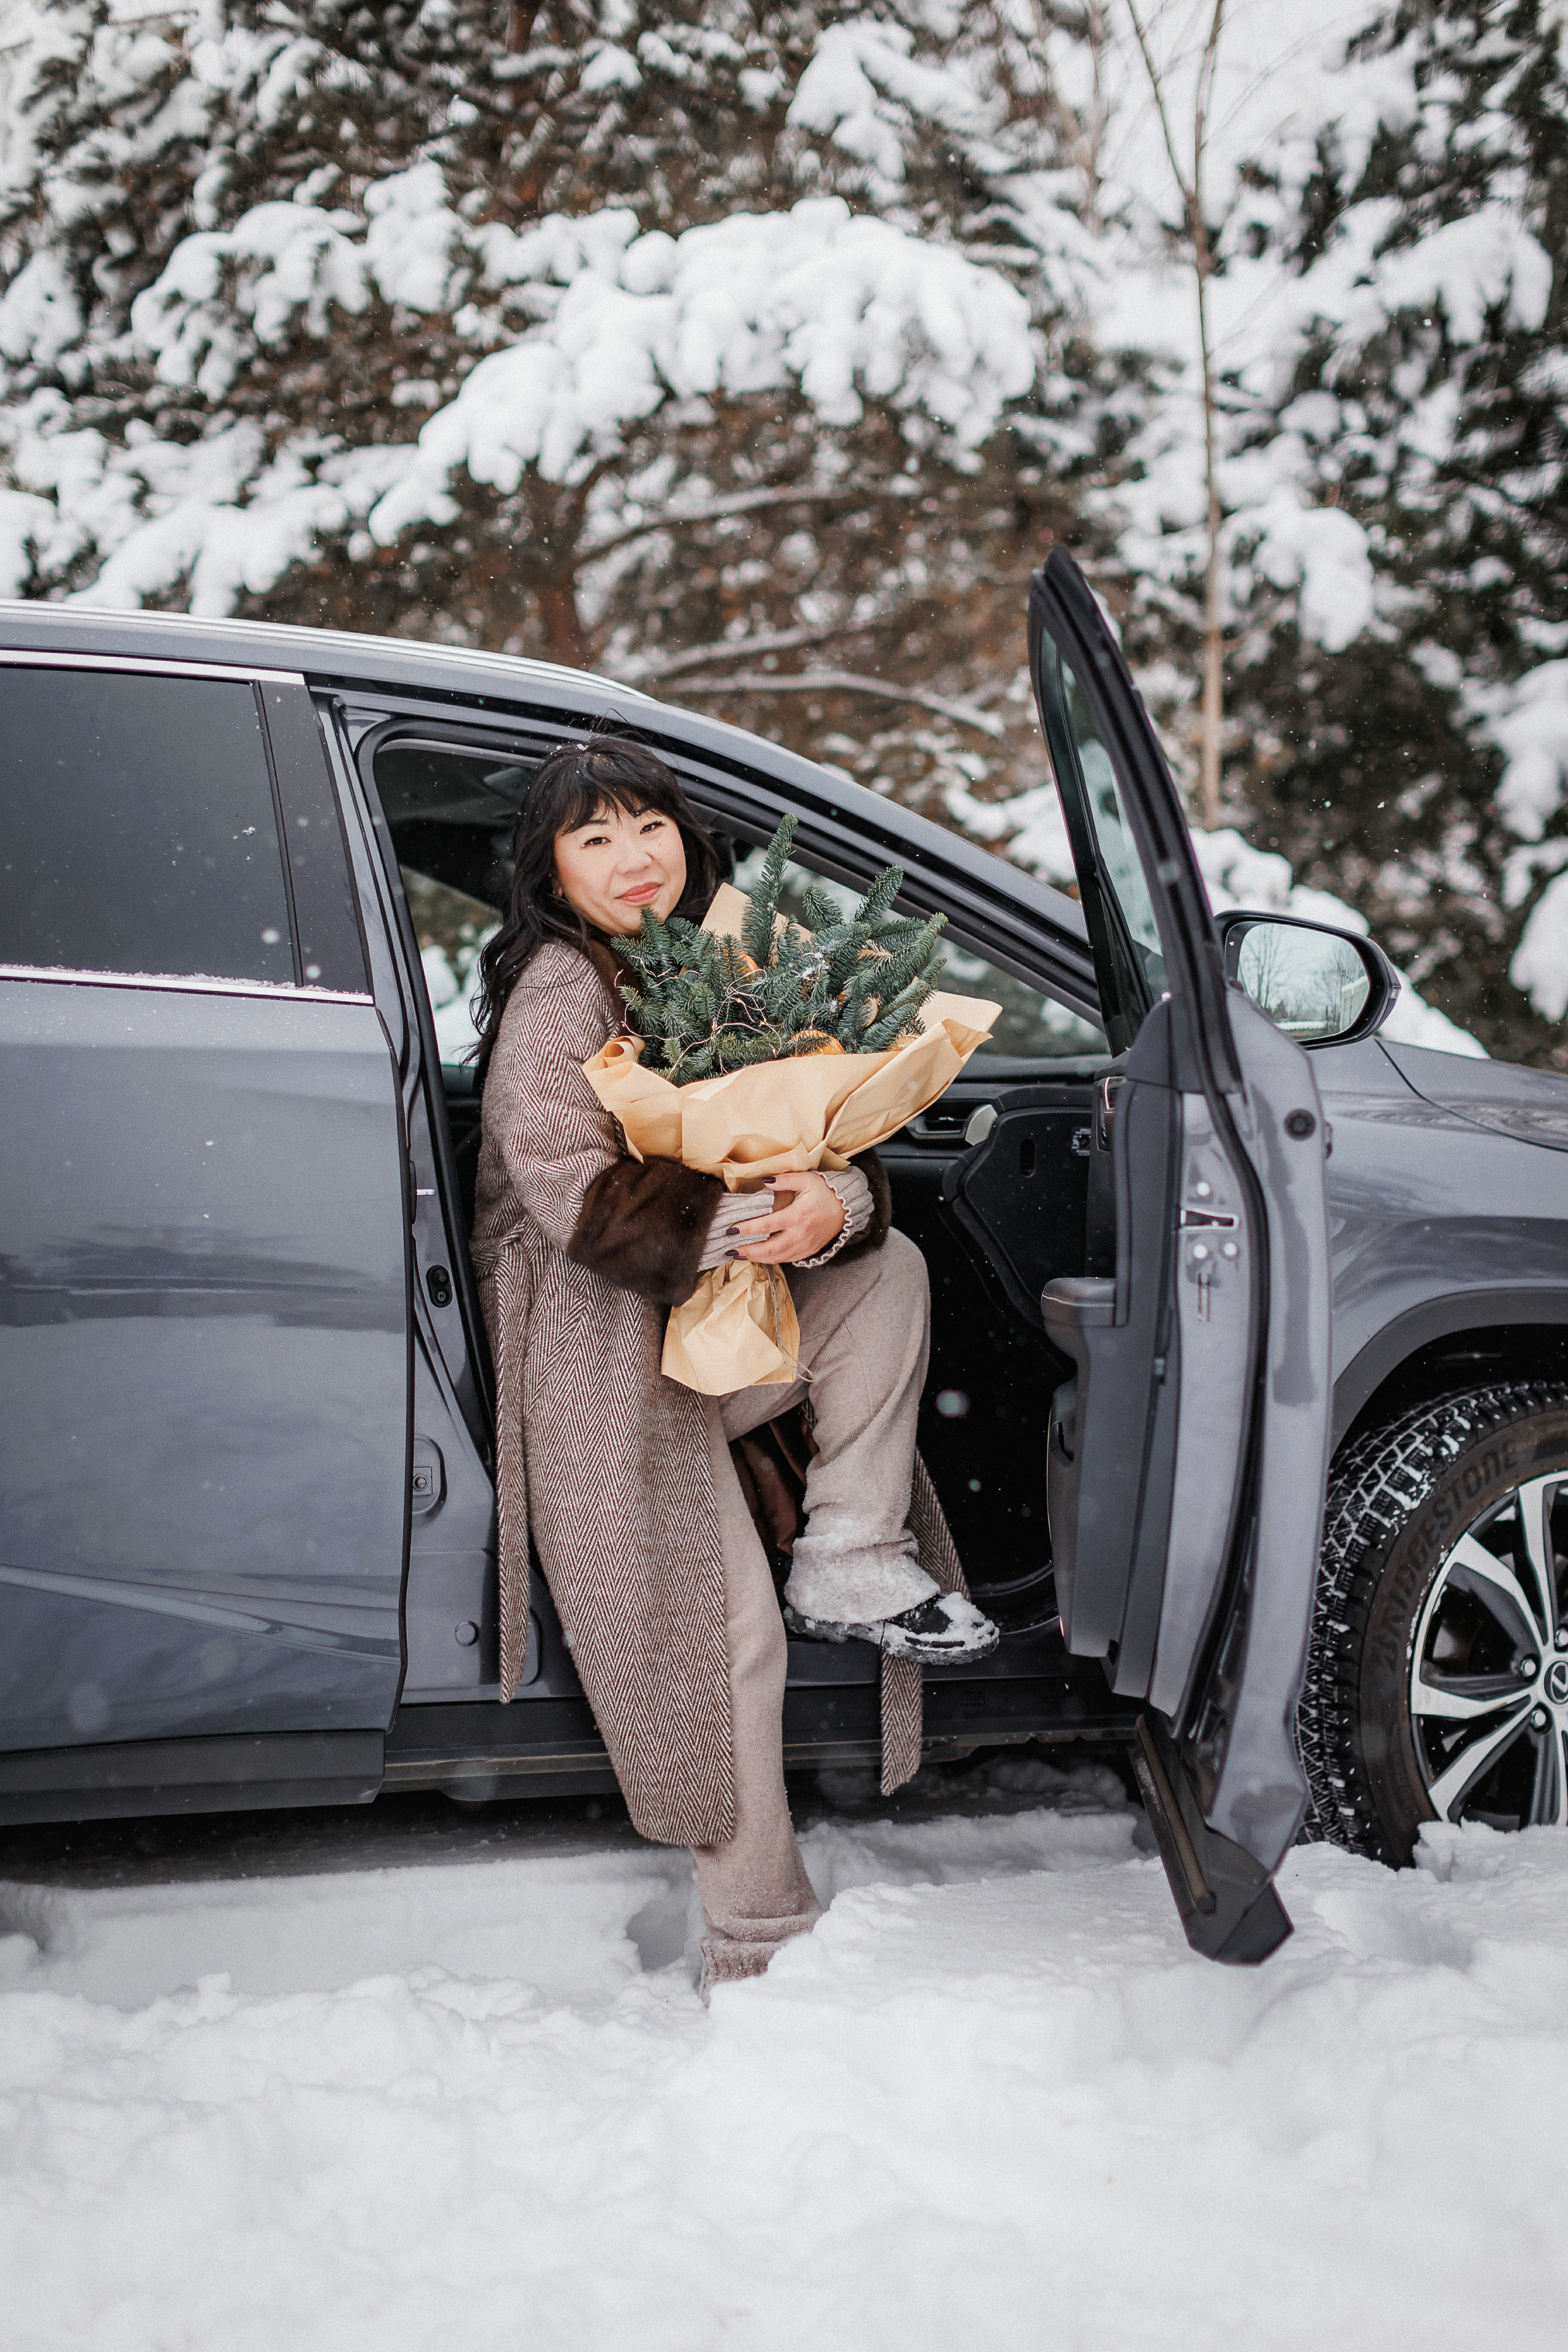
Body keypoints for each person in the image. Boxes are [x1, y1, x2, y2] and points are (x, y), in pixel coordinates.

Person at [469, 737, 997, 1994]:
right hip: (596, 1356)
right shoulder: (562, 987)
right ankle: (756, 1944)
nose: (629, 857)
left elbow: (791, 1124)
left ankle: (852, 1555)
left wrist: (827, 1198)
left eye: (645, 825)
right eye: (591, 838)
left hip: (708, 1331)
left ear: (687, 837)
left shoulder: (716, 961)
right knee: (720, 1640)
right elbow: (568, 1192)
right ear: (553, 873)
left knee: (886, 1267)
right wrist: (730, 1218)